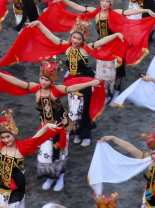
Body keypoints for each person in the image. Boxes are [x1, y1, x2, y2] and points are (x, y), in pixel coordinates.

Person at [0, 61, 99, 191]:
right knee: (46, 151)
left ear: (52, 79)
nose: (43, 82)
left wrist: (91, 83)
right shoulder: (36, 88)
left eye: (46, 79)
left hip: (59, 126)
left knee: (60, 151)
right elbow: (17, 82)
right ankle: (50, 177)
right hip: (45, 126)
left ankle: (60, 176)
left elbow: (72, 87)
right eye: (42, 78)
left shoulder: (56, 90)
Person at [25, 19, 124, 147]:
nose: (76, 40)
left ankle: (86, 134)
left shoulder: (86, 49)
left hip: (86, 80)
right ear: (71, 36)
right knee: (74, 109)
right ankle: (77, 132)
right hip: (72, 81)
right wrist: (39, 23)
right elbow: (50, 36)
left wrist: (116, 35)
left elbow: (101, 42)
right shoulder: (66, 46)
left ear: (83, 39)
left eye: (78, 38)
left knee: (85, 108)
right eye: (74, 37)